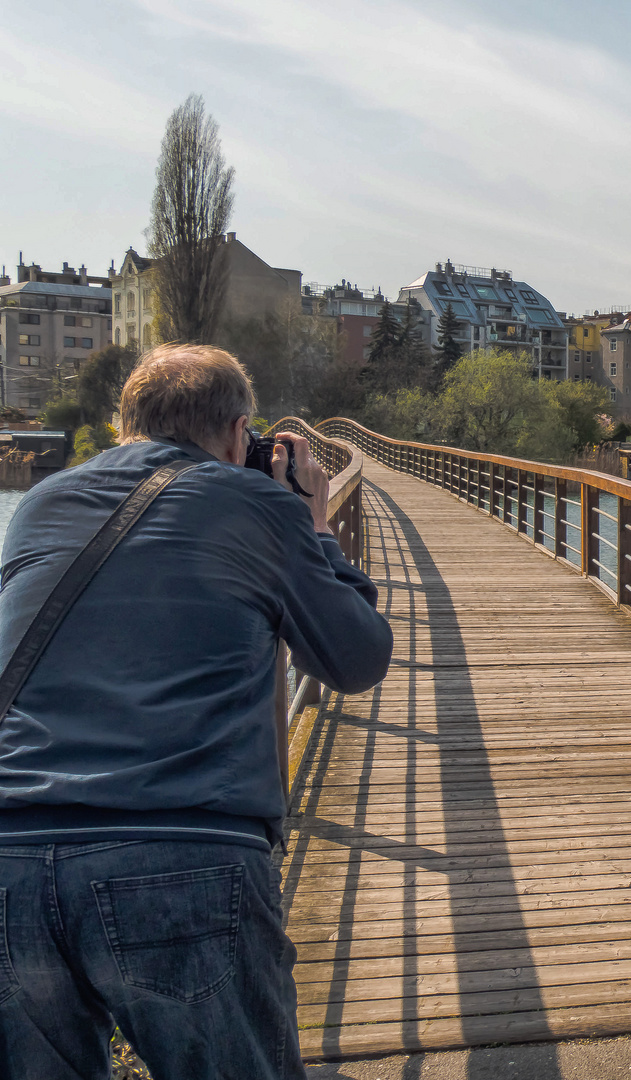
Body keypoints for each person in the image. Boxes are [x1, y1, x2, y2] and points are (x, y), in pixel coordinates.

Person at [0, 344, 392, 1078]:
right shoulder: (259, 503)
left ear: (127, 423)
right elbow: (354, 657)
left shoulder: (45, 500)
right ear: (241, 432)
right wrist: (311, 527)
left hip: (12, 852)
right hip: (178, 855)